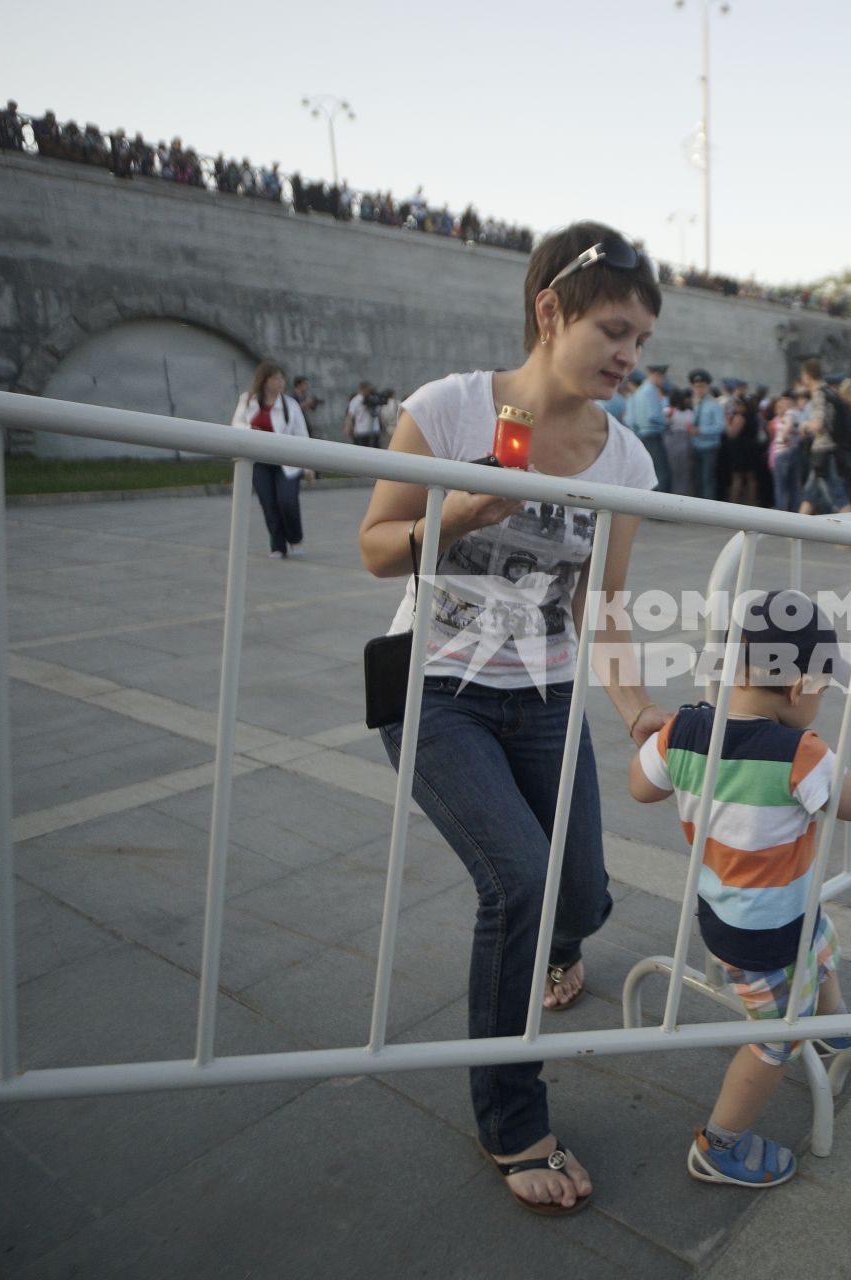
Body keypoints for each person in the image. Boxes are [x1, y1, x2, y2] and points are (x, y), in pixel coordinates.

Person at [357, 221, 666, 1216]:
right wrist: (465, 510)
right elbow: (374, 546)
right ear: (549, 312)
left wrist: (635, 713)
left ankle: (564, 943)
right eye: (613, 329)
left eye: (640, 341)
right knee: (521, 881)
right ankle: (512, 1114)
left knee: (580, 898)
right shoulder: (447, 409)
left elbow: (601, 604)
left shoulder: (625, 461)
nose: (628, 355)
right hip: (433, 687)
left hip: (544, 696)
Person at [626, 589, 851, 1188]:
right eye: (822, 688)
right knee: (772, 1042)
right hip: (767, 932)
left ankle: (832, 1021)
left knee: (820, 944)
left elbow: (642, 790)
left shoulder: (684, 731)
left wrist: (657, 736)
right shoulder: (801, 753)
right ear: (798, 689)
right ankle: (720, 1144)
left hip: (727, 912)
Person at [230, 362, 310, 558]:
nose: (280, 382)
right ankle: (277, 546)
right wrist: (250, 431)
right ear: (264, 381)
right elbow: (236, 424)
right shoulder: (248, 401)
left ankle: (295, 539)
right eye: (275, 378)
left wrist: (309, 465)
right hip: (260, 462)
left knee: (287, 501)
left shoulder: (289, 405)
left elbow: (302, 435)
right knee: (268, 504)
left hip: (287, 462)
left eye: (282, 378)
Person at [797, 360, 851, 515]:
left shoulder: (819, 394)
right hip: (828, 450)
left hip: (825, 451)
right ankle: (794, 534)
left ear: (808, 376)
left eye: (803, 375)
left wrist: (804, 426)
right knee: (810, 494)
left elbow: (817, 424)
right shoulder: (830, 391)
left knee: (838, 497)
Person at [626, 364, 672, 492]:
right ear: (657, 375)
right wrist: (666, 422)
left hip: (641, 434)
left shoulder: (639, 391)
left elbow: (631, 419)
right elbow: (654, 415)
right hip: (653, 434)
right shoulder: (651, 390)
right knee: (662, 472)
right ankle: (661, 505)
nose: (662, 381)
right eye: (662, 377)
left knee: (647, 471)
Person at [688, 369, 725, 500]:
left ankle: (708, 511)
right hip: (695, 445)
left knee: (707, 479)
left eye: (702, 386)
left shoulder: (715, 405)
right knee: (697, 479)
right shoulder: (695, 403)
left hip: (709, 447)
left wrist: (701, 430)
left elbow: (720, 426)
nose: (699, 389)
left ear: (708, 386)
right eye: (696, 386)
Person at [346, 381, 382, 447]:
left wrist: (380, 427)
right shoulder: (356, 400)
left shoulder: (375, 398)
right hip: (361, 431)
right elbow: (350, 415)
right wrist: (349, 427)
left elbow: (378, 414)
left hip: (374, 430)